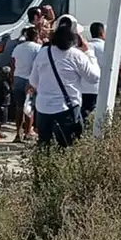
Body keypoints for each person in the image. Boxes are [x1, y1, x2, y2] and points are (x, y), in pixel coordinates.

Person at [29, 15, 100, 148]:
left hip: (43, 110)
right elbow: (94, 78)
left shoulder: (44, 53)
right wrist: (89, 53)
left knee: (45, 149)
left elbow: (33, 81)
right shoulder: (76, 55)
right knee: (68, 149)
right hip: (67, 110)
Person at [85, 21, 121, 118]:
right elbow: (120, 67)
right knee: (104, 113)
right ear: (102, 32)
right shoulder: (108, 48)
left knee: (86, 114)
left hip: (85, 88)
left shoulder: (86, 47)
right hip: (104, 87)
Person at [8, 26, 42, 142]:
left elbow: (12, 63)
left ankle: (18, 133)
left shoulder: (17, 48)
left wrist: (12, 77)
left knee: (19, 107)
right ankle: (28, 132)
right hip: (30, 80)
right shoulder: (38, 48)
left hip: (18, 78)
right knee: (29, 107)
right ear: (36, 36)